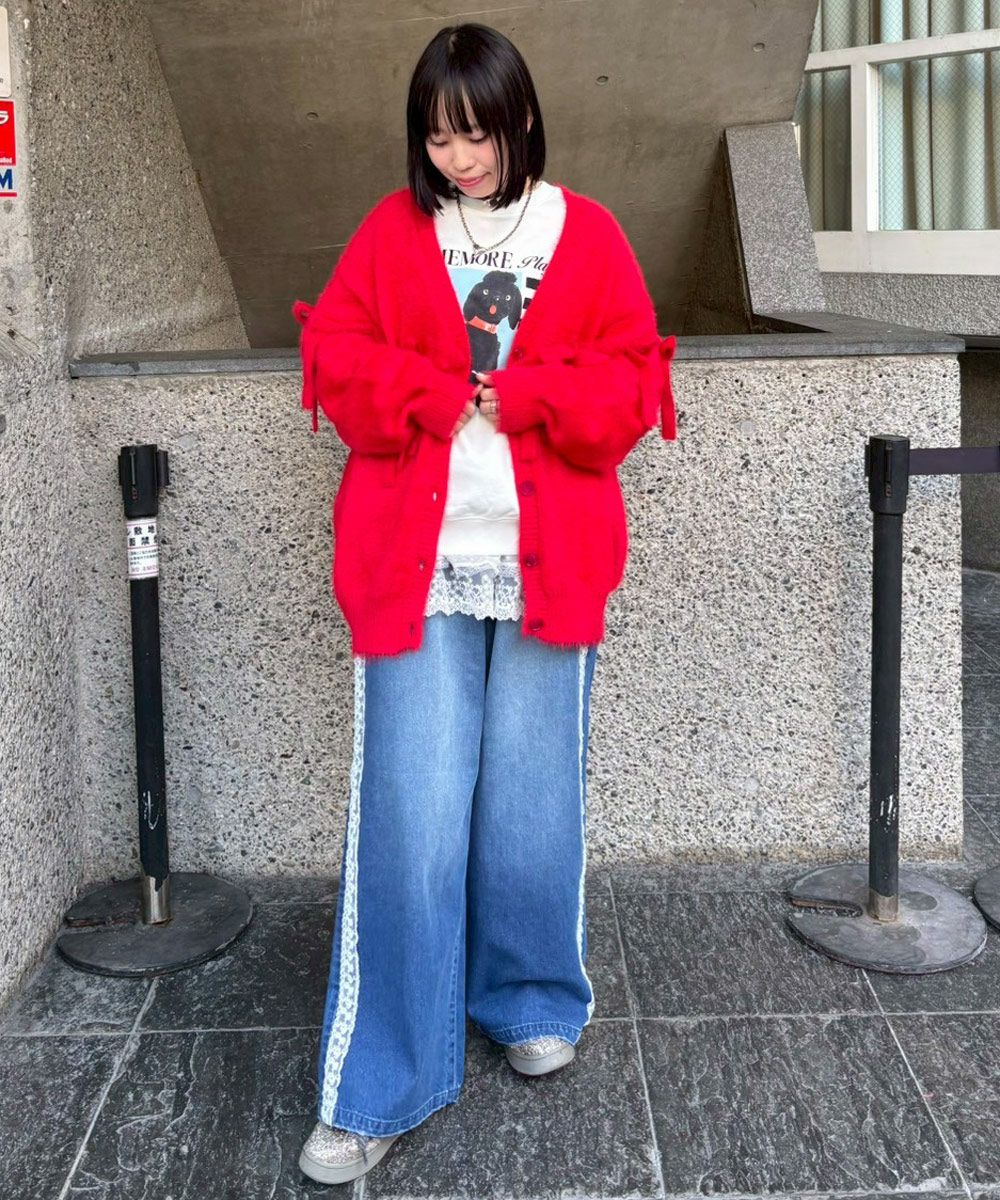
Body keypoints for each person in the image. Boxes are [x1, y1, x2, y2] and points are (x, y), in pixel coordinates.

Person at [293, 21, 677, 1186]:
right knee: (409, 817)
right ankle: (382, 1080)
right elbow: (335, 359)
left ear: (522, 119)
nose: (457, 158)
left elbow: (632, 383)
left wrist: (529, 397)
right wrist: (427, 390)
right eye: (437, 137)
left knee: (531, 806)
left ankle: (529, 997)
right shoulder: (391, 231)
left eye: (477, 133)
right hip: (415, 566)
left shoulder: (586, 233)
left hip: (548, 561)